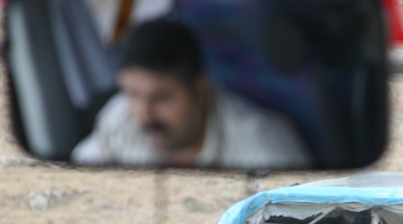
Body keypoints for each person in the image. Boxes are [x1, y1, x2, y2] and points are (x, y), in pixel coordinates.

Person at [71, 18, 311, 169]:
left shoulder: (264, 150)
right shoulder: (121, 114)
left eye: (162, 97)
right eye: (132, 94)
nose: (144, 115)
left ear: (200, 88)